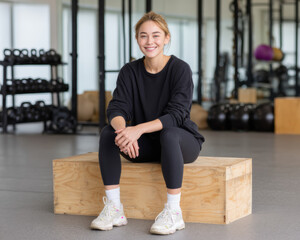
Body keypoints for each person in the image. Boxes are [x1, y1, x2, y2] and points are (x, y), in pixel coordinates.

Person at [90, 11, 205, 235]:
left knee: (169, 133)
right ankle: (114, 209)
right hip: (144, 146)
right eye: (143, 36)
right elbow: (116, 107)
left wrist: (137, 130)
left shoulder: (180, 69)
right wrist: (123, 131)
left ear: (166, 38)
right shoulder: (129, 71)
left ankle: (174, 213)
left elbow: (177, 115)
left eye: (156, 35)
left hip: (181, 143)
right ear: (137, 39)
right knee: (108, 133)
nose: (149, 41)